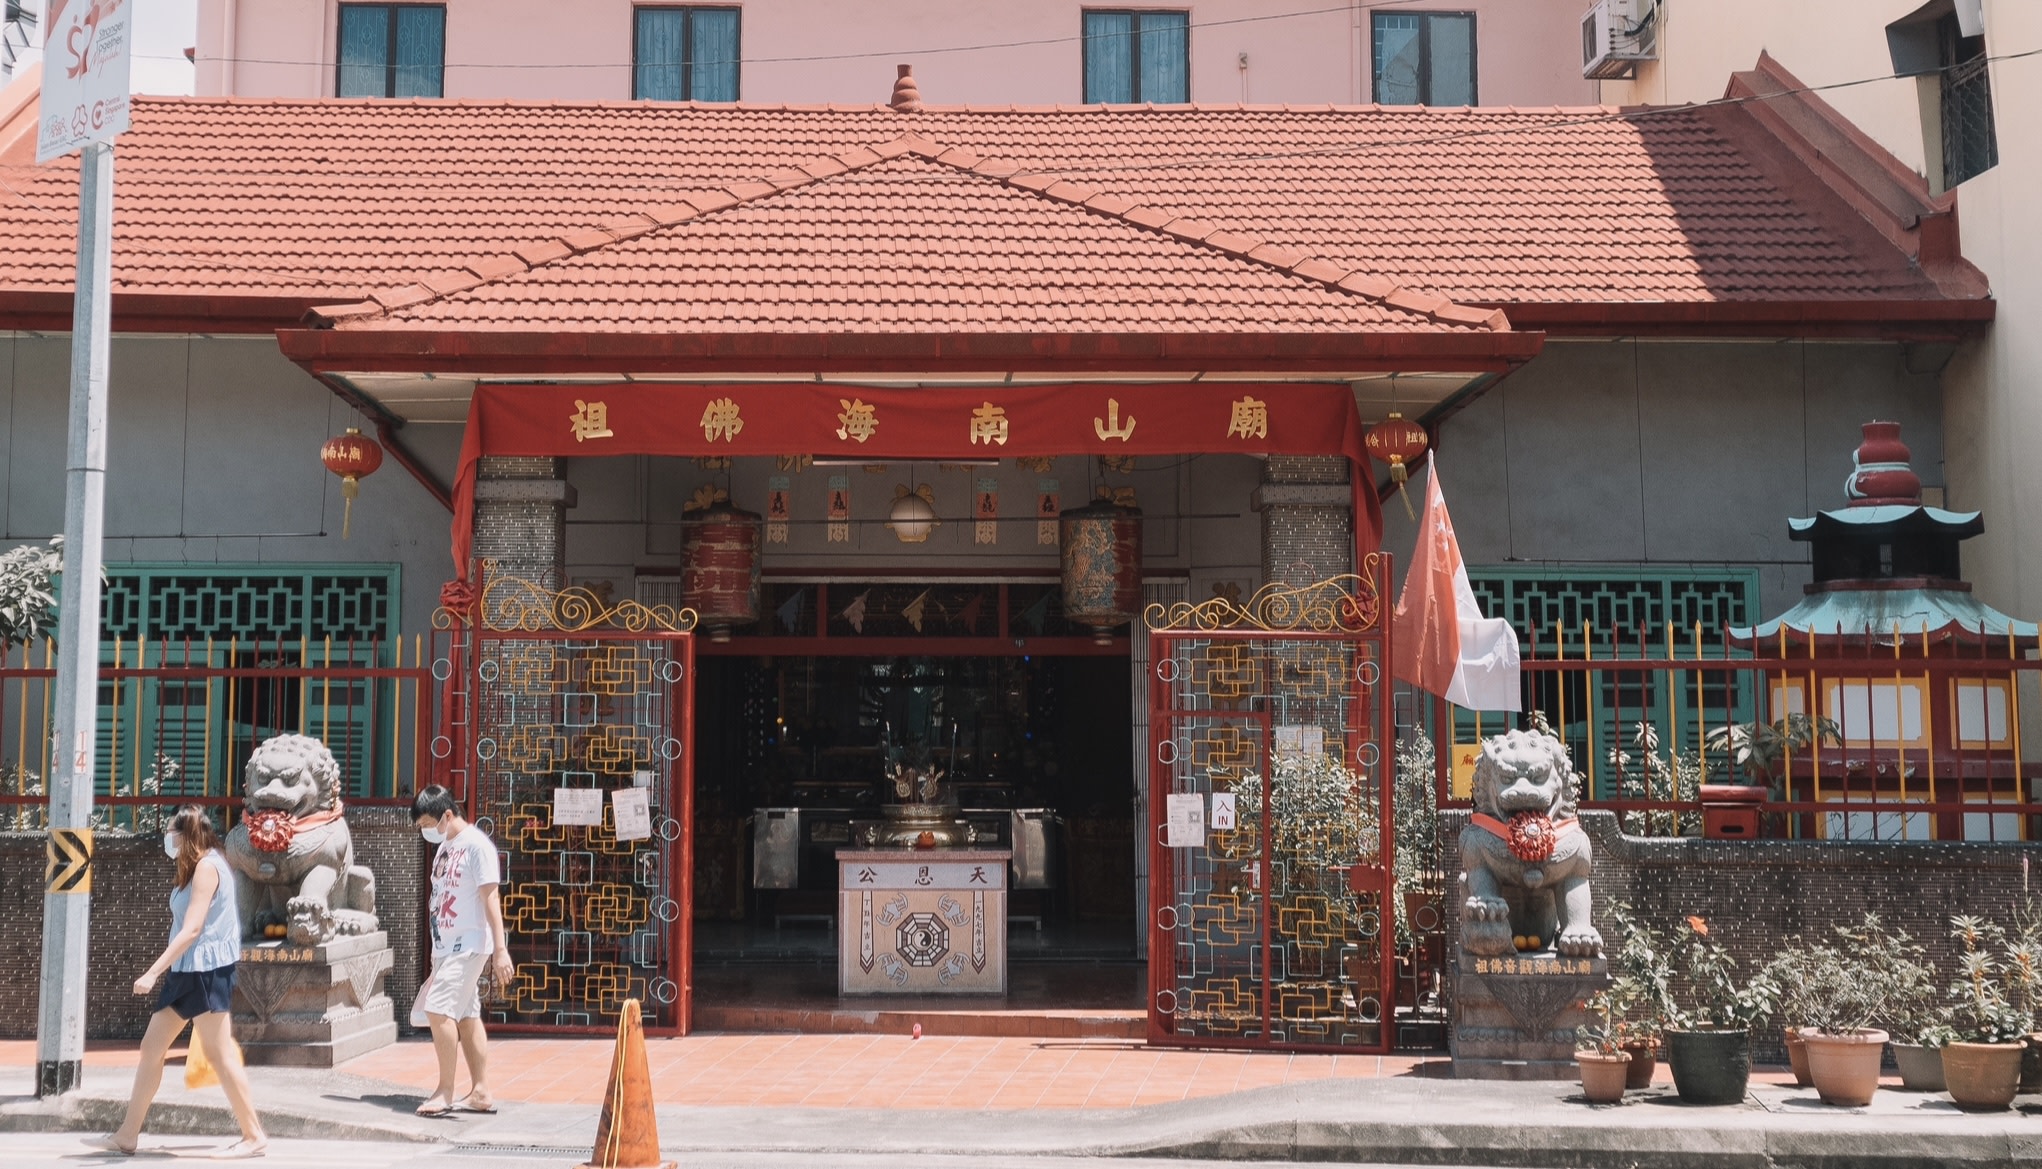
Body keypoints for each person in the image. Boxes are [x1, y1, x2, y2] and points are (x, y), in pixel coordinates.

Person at [87, 805, 267, 1158]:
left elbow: (193, 929)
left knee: (220, 1054)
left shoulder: (206, 868)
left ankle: (253, 1135)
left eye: (173, 831)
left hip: (205, 972)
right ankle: (127, 1134)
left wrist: (153, 971)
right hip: (187, 970)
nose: (168, 838)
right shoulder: (196, 866)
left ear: (187, 835)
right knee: (151, 1049)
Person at [410, 784, 512, 1117]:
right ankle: (481, 1091)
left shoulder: (476, 846)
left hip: (468, 944)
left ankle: (444, 1091)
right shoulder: (446, 847)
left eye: (428, 823)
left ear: (448, 814)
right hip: (447, 946)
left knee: (439, 1010)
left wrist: (500, 949)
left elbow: (490, 898)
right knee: (467, 1016)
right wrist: (435, 954)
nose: (426, 831)